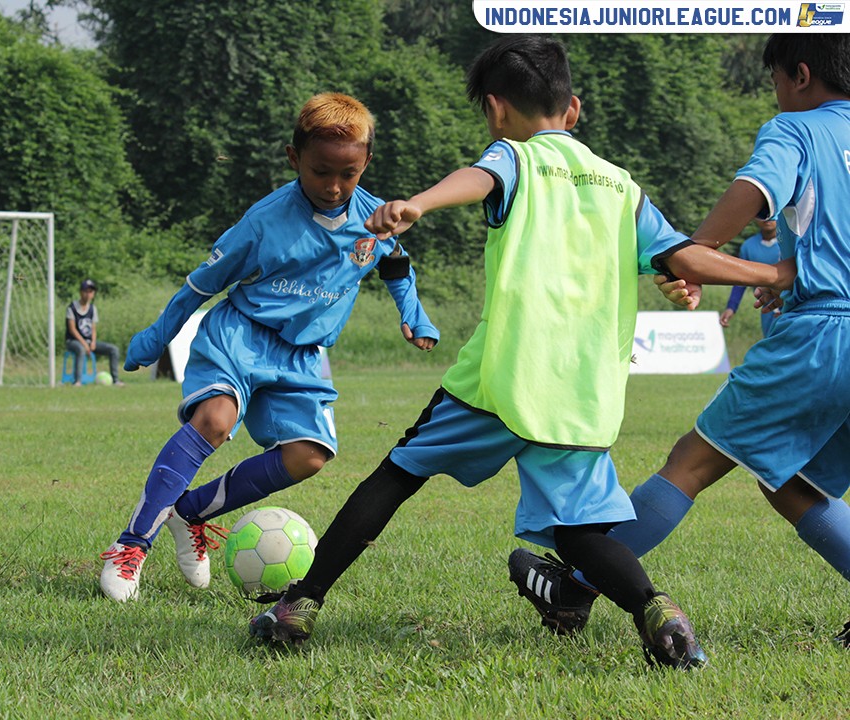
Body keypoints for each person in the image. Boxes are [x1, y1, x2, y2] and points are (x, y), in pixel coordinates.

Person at [247, 36, 784, 669]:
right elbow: (687, 258)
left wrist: (420, 202)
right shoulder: (621, 187)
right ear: (573, 108)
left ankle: (300, 605)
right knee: (578, 533)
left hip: (500, 381)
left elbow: (481, 178)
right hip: (581, 395)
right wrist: (774, 275)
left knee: (397, 475)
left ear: (496, 109)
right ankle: (658, 612)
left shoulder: (517, 157)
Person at [510, 33, 850, 649]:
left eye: (775, 80)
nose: (775, 94)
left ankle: (577, 584)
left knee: (691, 462)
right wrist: (805, 280)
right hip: (829, 318)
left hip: (823, 339)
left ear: (800, 75)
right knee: (794, 483)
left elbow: (756, 191)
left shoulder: (796, 129)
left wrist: (695, 253)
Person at [99, 93, 439, 602]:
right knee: (214, 421)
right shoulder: (263, 221)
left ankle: (189, 513)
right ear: (293, 157)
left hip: (303, 356)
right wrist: (157, 335)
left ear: (366, 162)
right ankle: (130, 546)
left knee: (309, 456)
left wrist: (413, 313)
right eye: (320, 171)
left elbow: (395, 262)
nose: (333, 186)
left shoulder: (376, 217)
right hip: (240, 335)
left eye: (348, 174)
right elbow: (201, 284)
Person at [720, 219, 781, 336]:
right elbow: (741, 280)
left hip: (792, 308)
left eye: (772, 214)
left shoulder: (790, 243)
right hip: (768, 310)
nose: (767, 218)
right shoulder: (748, 246)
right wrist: (731, 307)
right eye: (762, 214)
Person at [66, 278, 124, 386]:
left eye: (91, 291)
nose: (88, 294)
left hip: (89, 342)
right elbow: (72, 329)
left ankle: (115, 380)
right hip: (73, 341)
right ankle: (77, 381)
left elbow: (93, 328)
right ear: (81, 292)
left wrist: (92, 342)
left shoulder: (92, 309)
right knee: (81, 349)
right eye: (86, 291)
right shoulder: (72, 308)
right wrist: (84, 343)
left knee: (113, 349)